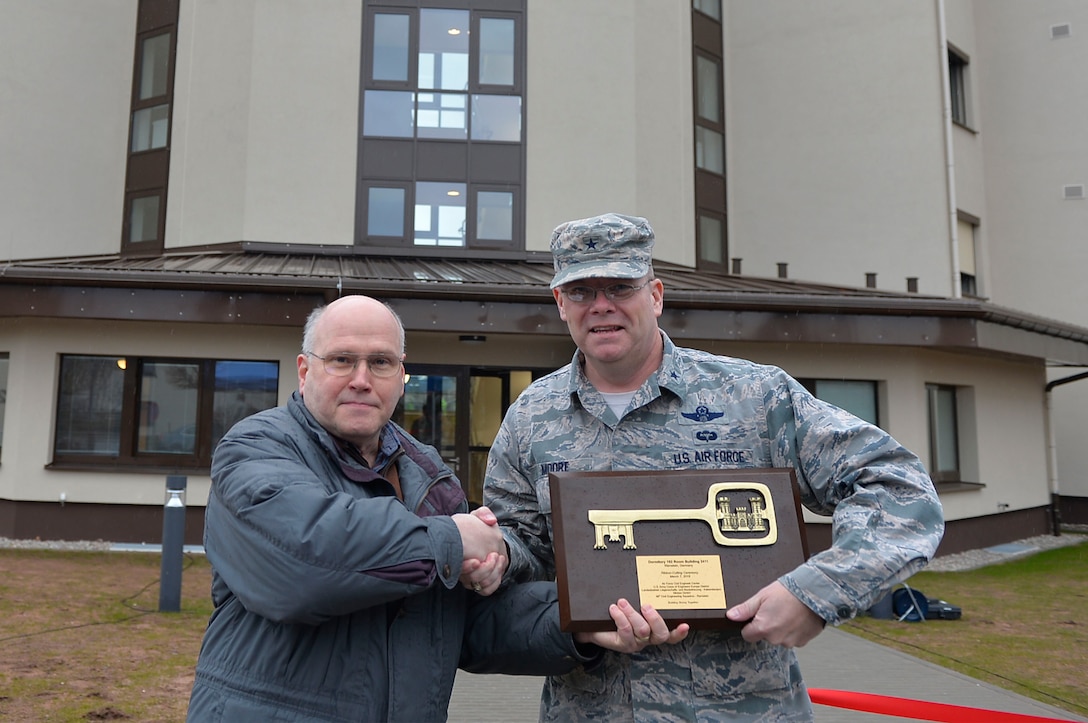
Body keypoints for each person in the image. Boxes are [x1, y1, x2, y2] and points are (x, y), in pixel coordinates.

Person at [479, 213, 945, 721]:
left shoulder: (752, 397)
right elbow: (523, 547)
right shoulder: (531, 417)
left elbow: (897, 486)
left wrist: (816, 593)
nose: (601, 306)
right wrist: (492, 554)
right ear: (560, 305)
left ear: (655, 294)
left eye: (620, 286)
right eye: (581, 291)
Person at [187, 294, 686, 722]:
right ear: (304, 370)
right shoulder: (257, 448)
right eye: (342, 360)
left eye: (380, 362)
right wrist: (454, 539)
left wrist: (584, 619)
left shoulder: (426, 474)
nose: (362, 379)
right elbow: (303, 562)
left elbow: (466, 625)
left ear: (402, 376)